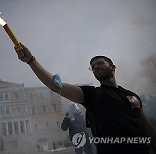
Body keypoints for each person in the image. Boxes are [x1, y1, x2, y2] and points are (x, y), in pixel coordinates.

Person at [14, 44, 156, 154]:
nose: (95, 68)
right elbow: (55, 85)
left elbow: (148, 129)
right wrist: (31, 60)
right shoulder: (93, 95)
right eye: (92, 67)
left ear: (112, 67)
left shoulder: (132, 96)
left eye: (99, 63)